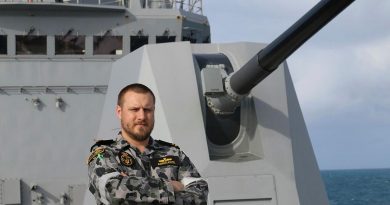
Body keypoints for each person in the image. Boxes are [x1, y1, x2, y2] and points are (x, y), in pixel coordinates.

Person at [87, 83, 208, 204]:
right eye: (134, 109)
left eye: (147, 110)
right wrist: (172, 187)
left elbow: (200, 195)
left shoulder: (174, 154)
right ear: (119, 112)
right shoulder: (104, 154)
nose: (142, 116)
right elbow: (113, 191)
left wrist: (131, 187)